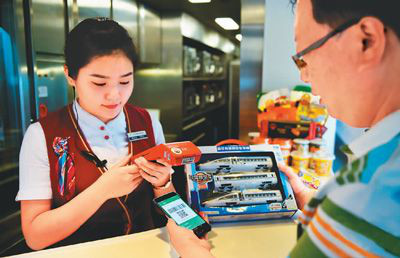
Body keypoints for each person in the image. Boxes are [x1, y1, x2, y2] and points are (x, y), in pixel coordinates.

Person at [166, 0, 400, 257]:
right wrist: (318, 204)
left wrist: (189, 249)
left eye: (303, 57)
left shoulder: (371, 191)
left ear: (366, 41)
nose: (303, 77)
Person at [16, 17, 176, 250]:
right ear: (70, 75)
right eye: (99, 84)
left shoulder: (147, 122)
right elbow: (35, 236)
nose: (115, 96)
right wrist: (102, 191)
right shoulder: (42, 134)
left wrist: (163, 184)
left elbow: (170, 207)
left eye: (125, 81)